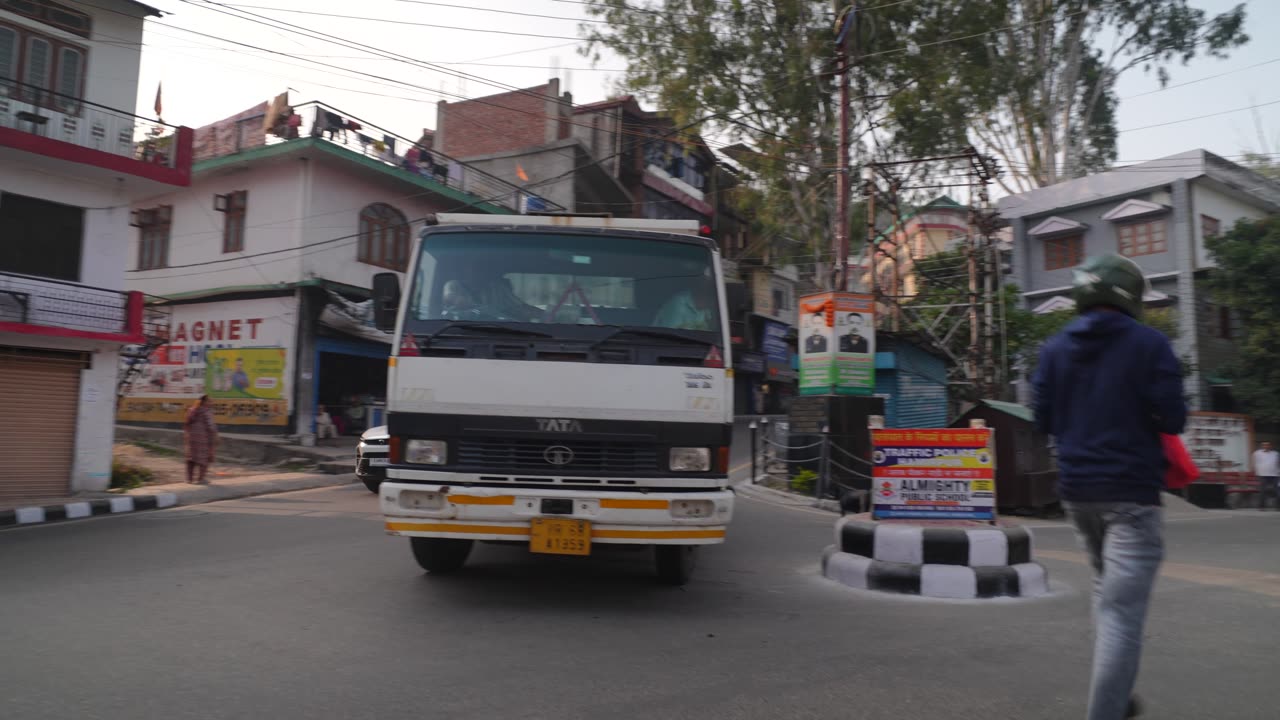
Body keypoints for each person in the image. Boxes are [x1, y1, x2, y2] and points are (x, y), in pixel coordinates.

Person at [1033, 254, 1187, 720]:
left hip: (1078, 494)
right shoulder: (1150, 345)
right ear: (1130, 297)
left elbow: (1042, 419)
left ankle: (1115, 695)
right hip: (1131, 497)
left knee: (1107, 594)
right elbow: (1174, 418)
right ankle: (1108, 708)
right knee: (1121, 615)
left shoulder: (1053, 348)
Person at [183, 395, 218, 485]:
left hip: (192, 436)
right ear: (204, 402)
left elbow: (187, 423)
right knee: (204, 458)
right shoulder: (207, 411)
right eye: (210, 401)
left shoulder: (192, 410)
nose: (211, 403)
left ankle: (189, 479)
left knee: (191, 457)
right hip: (203, 437)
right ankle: (200, 479)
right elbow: (210, 426)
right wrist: (215, 436)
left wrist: (187, 434)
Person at [1252, 441, 1279, 510]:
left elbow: (1278, 463)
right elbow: (1254, 463)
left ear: (1271, 446)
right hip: (1262, 474)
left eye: (1268, 445)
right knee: (1262, 491)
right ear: (1262, 446)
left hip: (1274, 474)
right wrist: (1256, 472)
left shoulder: (1276, 453)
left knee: (1277, 490)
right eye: (1264, 445)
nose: (1266, 446)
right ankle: (1261, 506)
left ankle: (1278, 506)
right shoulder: (1257, 453)